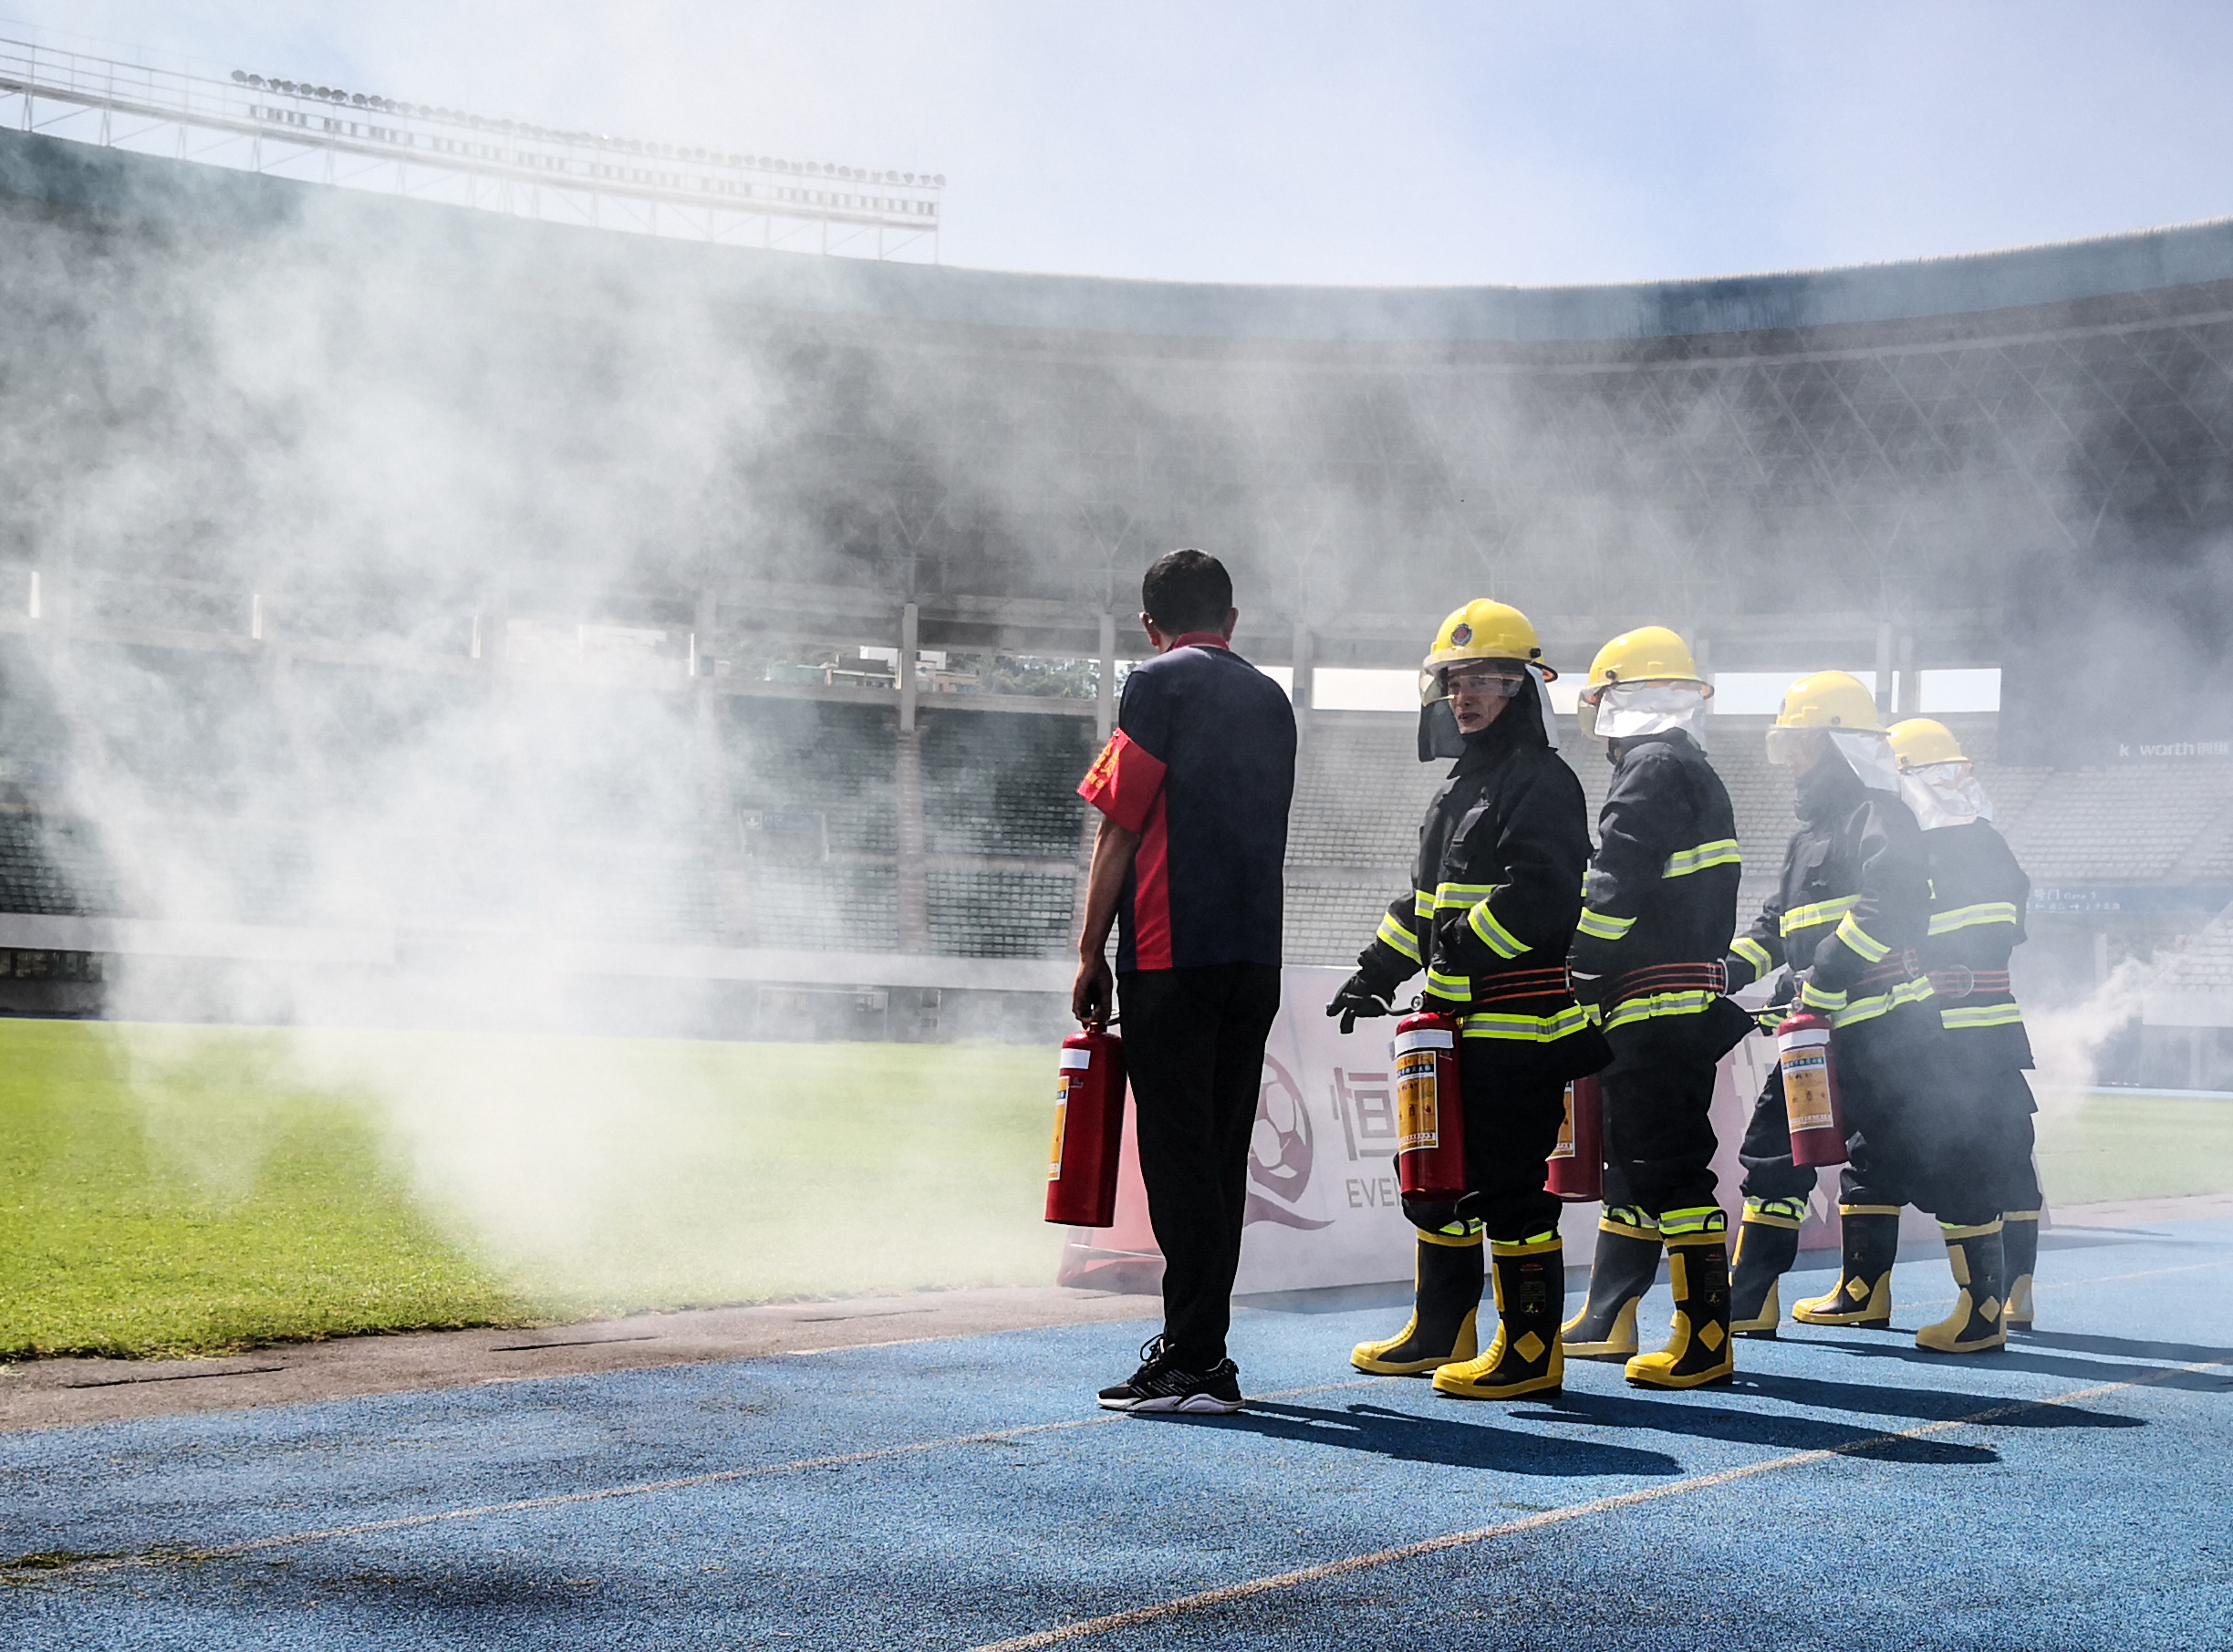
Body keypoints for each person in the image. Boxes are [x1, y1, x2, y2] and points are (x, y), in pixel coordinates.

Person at [1327, 599, 1607, 1400]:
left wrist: (1455, 955)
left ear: (1522, 687)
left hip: (1519, 1027)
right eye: (1455, 681)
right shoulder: (1458, 788)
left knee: (1510, 1185)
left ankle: (1531, 1351)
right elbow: (1424, 905)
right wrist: (1376, 970)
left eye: (1485, 678)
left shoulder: (1543, 780)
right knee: (1437, 1176)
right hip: (1453, 1031)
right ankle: (1441, 1329)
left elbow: (1541, 897)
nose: (1465, 695)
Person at [1722, 672, 2009, 1356]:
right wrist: (1725, 971)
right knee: (1773, 1154)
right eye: (1785, 745)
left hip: (1892, 1033)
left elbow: (1886, 907)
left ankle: (1983, 1310)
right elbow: (1776, 927)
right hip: (1817, 1034)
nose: (1790, 759)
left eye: (1801, 743)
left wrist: (1821, 983)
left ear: (1838, 745)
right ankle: (1749, 1299)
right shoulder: (1806, 838)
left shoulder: (1884, 815)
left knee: (1942, 1159)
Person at [1075, 548, 1297, 1414]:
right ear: (1231, 620)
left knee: (1177, 1161)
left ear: (1149, 624)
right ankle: (1201, 1345)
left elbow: (1120, 824)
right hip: (1255, 954)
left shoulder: (1154, 683)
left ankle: (1198, 1356)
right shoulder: (1273, 698)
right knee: (1221, 1155)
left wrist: (1090, 950)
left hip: (1172, 952)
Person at [1561, 627, 1754, 1389]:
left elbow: (1616, 882)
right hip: (1671, 1002)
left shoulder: (1650, 767)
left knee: (1669, 1169)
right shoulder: (1691, 768)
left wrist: (1578, 964)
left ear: (1617, 702)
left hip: (1651, 1005)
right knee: (1634, 1164)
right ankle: (1610, 1315)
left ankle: (1705, 1336)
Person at [1886, 717, 2043, 1333]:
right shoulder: (1990, 841)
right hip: (1996, 1029)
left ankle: (1983, 1302)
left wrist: (1914, 953)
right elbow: (2009, 928)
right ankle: (2015, 1292)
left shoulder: (1927, 849)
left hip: (1943, 1031)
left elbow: (1967, 929)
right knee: (2010, 1152)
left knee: (1968, 1159)